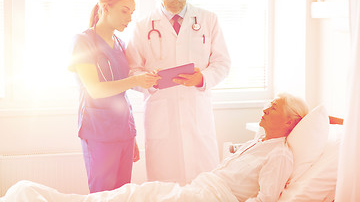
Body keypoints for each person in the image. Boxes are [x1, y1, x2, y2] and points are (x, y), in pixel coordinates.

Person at [1, 93, 309, 202]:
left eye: (273, 107)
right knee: (132, 194)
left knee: (135, 196)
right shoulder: (260, 142)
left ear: (290, 121)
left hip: (209, 198)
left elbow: (266, 199)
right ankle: (34, 196)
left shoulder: (279, 153)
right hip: (197, 190)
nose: (264, 109)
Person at [126, 0, 231, 185]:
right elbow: (131, 70)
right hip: (162, 115)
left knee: (204, 187)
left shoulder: (207, 20)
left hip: (197, 114)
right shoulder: (143, 26)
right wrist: (149, 82)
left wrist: (202, 79)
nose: (177, 1)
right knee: (165, 189)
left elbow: (222, 63)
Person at [68, 0, 160, 193]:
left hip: (123, 131)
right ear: (105, 8)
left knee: (123, 194)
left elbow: (122, 91)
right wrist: (135, 79)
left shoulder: (119, 43)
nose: (128, 18)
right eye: (124, 11)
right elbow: (95, 90)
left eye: (132, 13)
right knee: (102, 194)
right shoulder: (83, 42)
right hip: (98, 131)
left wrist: (131, 136)